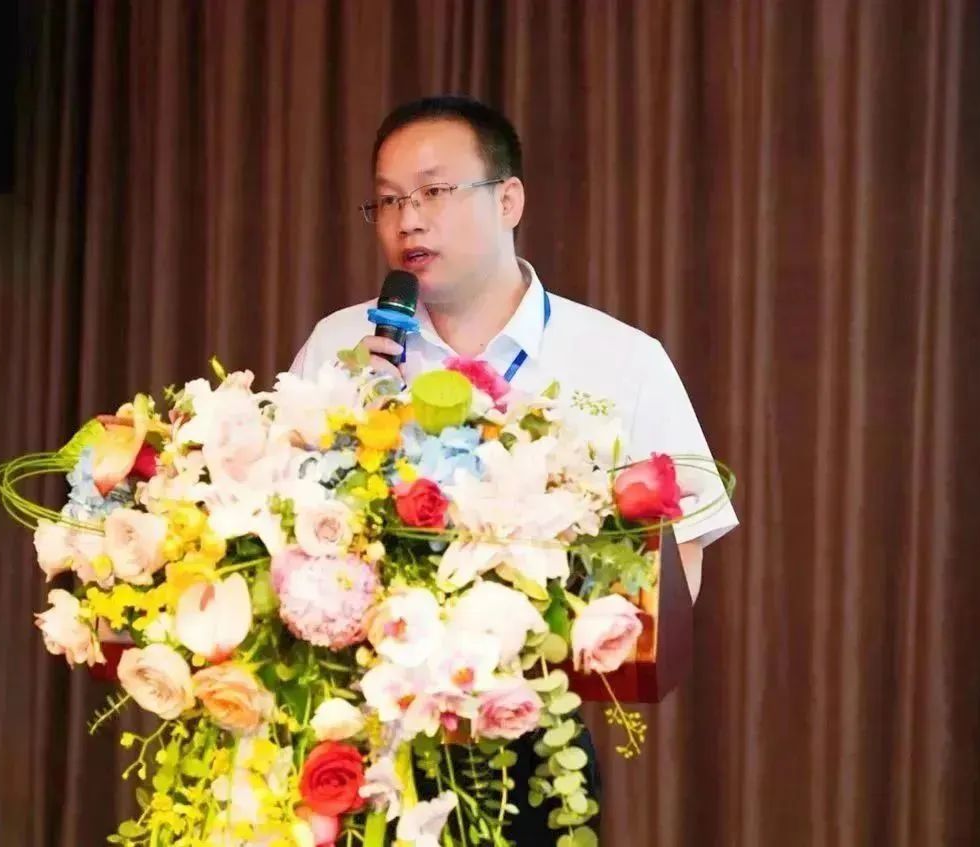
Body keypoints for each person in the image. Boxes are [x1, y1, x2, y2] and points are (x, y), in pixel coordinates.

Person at [290, 95, 738, 841]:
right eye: (389, 200)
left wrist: (566, 644)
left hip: (524, 740)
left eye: (433, 191)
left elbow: (677, 557)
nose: (408, 220)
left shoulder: (620, 360)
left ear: (508, 200)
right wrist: (349, 418)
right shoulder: (342, 345)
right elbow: (281, 526)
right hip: (354, 743)